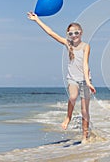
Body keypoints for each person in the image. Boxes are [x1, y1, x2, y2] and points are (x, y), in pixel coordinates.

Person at [27, 12, 96, 143]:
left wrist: (88, 82)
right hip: (73, 79)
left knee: (84, 110)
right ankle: (68, 117)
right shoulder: (68, 44)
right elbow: (51, 33)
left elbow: (85, 65)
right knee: (73, 96)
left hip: (85, 79)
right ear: (68, 35)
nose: (74, 35)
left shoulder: (86, 46)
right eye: (70, 33)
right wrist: (37, 20)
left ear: (81, 32)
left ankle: (84, 136)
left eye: (76, 33)